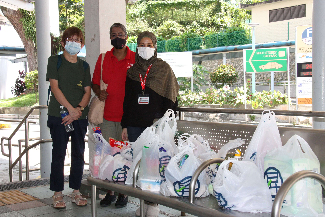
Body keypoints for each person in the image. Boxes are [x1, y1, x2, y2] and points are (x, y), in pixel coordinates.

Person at [121, 31, 179, 217]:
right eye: (142, 44)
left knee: (153, 165)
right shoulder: (132, 72)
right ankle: (142, 203)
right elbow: (127, 101)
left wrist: (164, 122)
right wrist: (124, 125)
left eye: (149, 44)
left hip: (154, 124)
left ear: (155, 47)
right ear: (136, 47)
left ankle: (153, 206)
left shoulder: (164, 69)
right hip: (134, 125)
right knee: (138, 165)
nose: (145, 48)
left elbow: (171, 97)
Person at [91, 23, 136, 208]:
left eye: (121, 34)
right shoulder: (103, 59)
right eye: (114, 34)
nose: (118, 37)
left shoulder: (135, 58)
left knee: (125, 156)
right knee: (108, 156)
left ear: (126, 36)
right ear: (110, 37)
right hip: (108, 117)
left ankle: (123, 194)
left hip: (128, 119)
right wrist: (98, 91)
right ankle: (109, 192)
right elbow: (94, 83)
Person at [46, 26, 91, 209]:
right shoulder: (54, 61)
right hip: (60, 116)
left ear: (82, 44)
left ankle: (75, 190)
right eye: (70, 39)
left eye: (78, 40)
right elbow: (55, 88)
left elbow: (87, 92)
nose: (74, 43)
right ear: (64, 42)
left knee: (78, 154)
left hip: (79, 117)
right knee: (58, 154)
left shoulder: (84, 65)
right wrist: (70, 110)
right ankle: (57, 193)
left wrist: (78, 109)